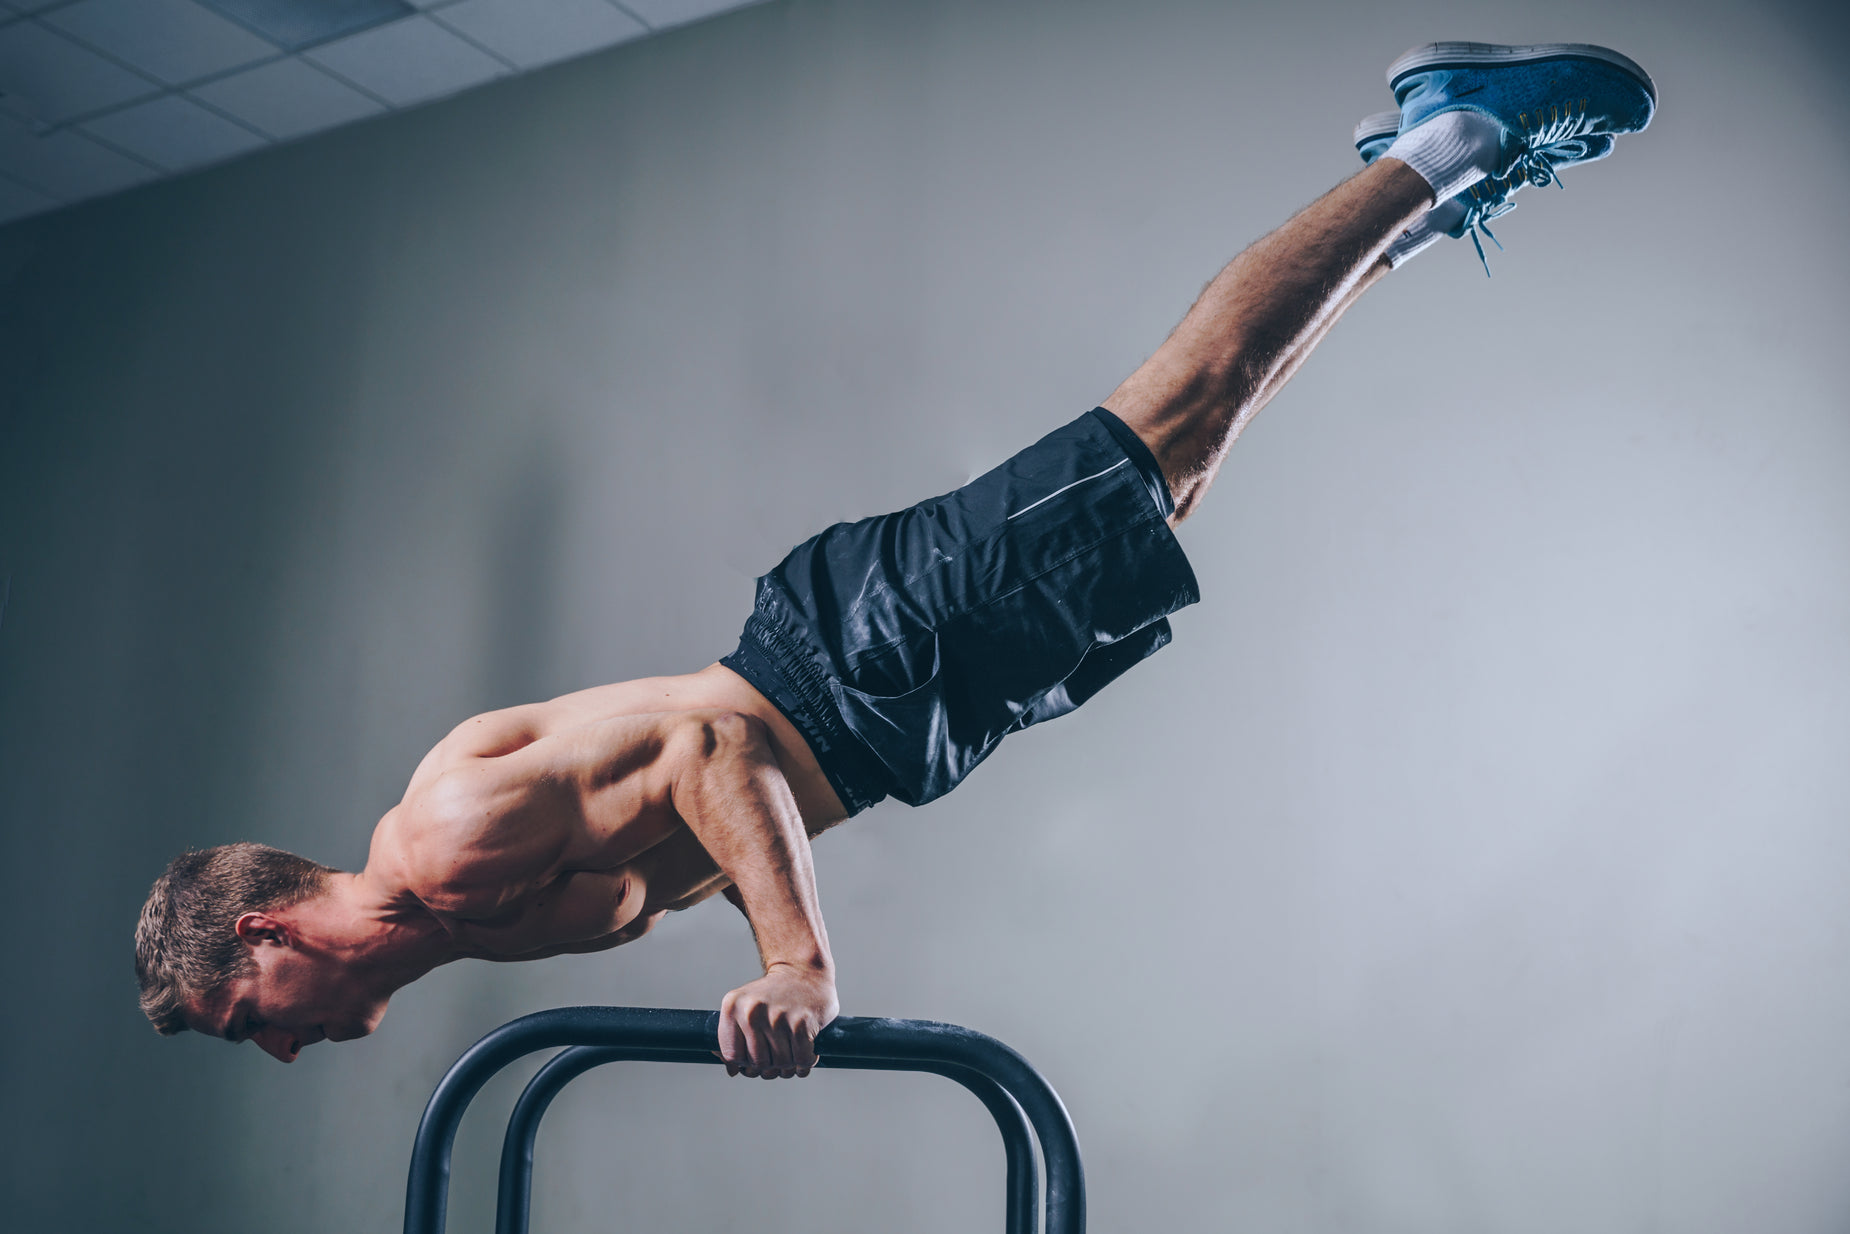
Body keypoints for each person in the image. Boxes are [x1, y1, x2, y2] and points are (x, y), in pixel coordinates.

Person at [134, 42, 1655, 1080]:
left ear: (266, 930)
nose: (274, 1045)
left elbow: (709, 745)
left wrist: (797, 961)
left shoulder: (445, 840)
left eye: (242, 1016)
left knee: (1179, 411)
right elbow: (698, 823)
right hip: (887, 713)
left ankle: (1446, 132)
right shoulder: (459, 923)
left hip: (854, 651)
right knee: (1190, 456)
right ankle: (1430, 175)